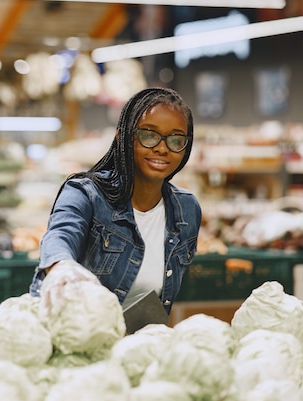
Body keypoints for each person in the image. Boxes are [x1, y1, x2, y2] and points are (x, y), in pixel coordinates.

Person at [30, 86, 202, 317]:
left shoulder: (187, 210)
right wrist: (61, 265)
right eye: (149, 135)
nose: (162, 148)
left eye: (176, 139)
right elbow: (60, 234)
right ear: (124, 137)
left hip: (132, 345)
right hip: (71, 335)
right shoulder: (85, 193)